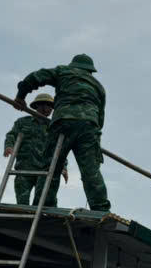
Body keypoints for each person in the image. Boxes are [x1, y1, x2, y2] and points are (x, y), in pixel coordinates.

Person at [14, 53, 109, 211]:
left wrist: (20, 96)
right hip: (89, 126)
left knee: (51, 166)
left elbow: (35, 77)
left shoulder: (63, 71)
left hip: (63, 122)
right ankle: (101, 207)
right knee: (91, 170)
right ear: (90, 71)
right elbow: (100, 119)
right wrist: (94, 141)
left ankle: (45, 203)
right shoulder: (99, 87)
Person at [2, 93, 67, 205]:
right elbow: (12, 135)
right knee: (22, 205)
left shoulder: (53, 127)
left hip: (44, 171)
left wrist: (63, 167)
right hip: (24, 170)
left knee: (44, 203)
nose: (49, 109)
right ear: (38, 106)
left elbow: (60, 148)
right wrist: (9, 146)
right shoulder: (23, 122)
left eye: (51, 106)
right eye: (46, 105)